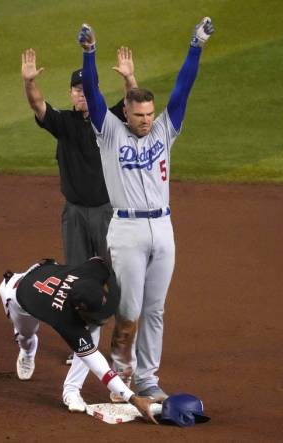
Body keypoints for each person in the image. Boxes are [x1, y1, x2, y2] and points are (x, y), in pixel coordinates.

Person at [76, 17, 215, 402]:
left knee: (156, 311)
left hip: (164, 229)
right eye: (139, 116)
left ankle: (148, 379)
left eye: (150, 114)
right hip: (128, 231)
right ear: (126, 112)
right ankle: (121, 377)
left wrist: (195, 47)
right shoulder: (109, 132)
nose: (146, 121)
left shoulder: (164, 131)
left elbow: (183, 88)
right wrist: (90, 54)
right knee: (130, 311)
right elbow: (92, 92)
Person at [22, 47, 138, 368]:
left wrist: (129, 77)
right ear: (72, 94)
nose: (82, 94)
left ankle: (121, 343)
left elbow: (133, 104)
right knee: (74, 278)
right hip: (74, 214)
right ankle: (81, 344)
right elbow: (37, 104)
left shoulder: (109, 120)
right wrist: (29, 82)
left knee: (115, 276)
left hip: (106, 212)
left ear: (95, 93)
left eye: (88, 90)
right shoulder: (64, 123)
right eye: (77, 89)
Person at [0, 257, 158, 424]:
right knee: (26, 335)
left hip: (44, 270)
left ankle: (71, 391)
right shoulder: (62, 318)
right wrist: (132, 398)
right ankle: (28, 351)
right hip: (16, 296)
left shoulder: (95, 270)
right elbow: (96, 364)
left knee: (91, 330)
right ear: (76, 309)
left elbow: (99, 261)